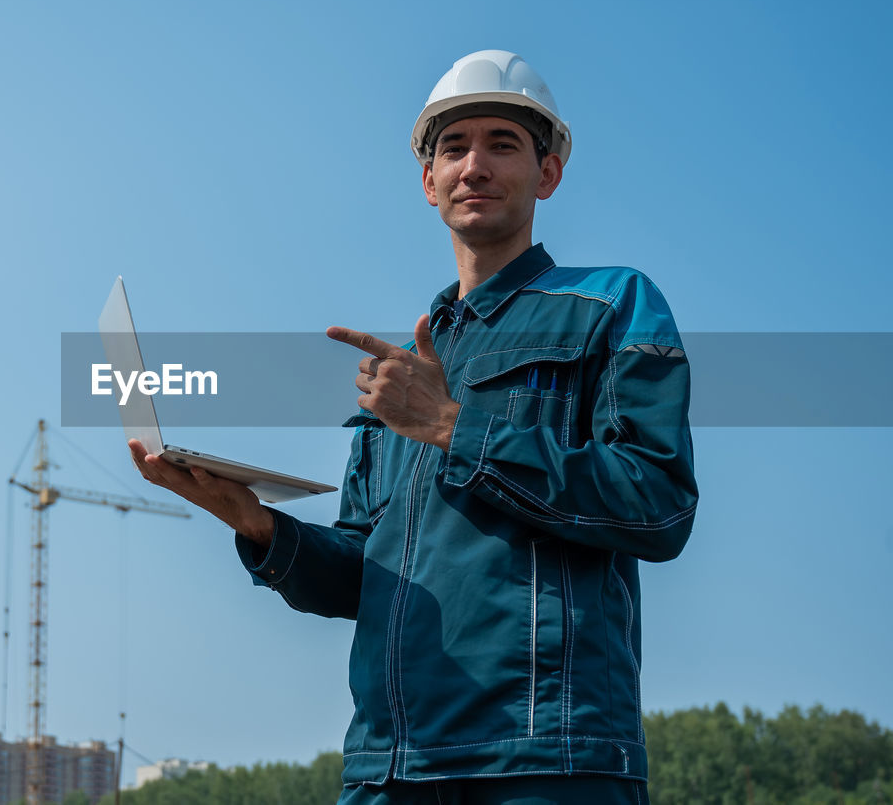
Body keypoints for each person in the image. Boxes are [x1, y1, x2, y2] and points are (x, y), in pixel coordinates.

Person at [129, 50, 697, 805]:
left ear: (548, 173)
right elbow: (364, 573)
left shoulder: (612, 305)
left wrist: (457, 427)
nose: (475, 165)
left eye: (503, 143)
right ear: (427, 182)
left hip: (546, 763)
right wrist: (261, 526)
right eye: (454, 147)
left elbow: (658, 504)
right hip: (389, 769)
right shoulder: (394, 380)